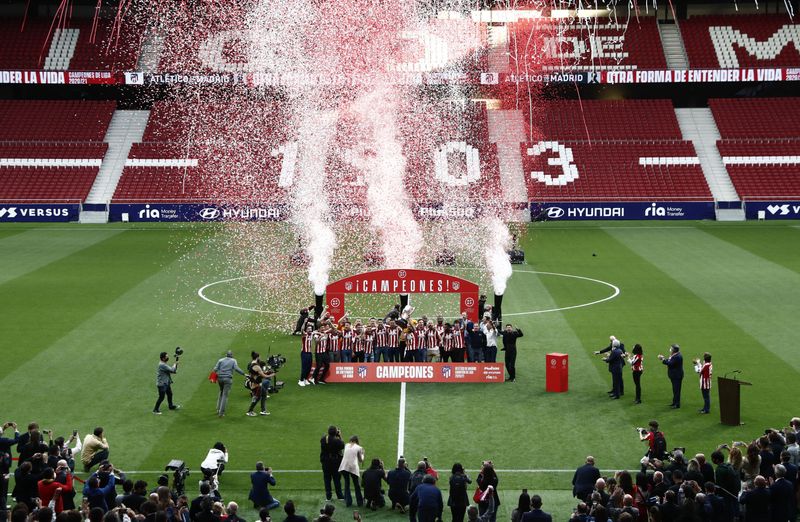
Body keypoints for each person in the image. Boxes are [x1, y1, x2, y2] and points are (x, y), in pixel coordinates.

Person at [213, 351, 246, 417]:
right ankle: (221, 413)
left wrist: (212, 378)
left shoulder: (220, 360)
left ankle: (218, 409)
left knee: (221, 392)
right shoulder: (233, 360)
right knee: (225, 395)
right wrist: (244, 373)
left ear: (226, 355)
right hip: (227, 379)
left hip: (220, 378)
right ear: (232, 355)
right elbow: (236, 369)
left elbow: (215, 369)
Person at [320, 426, 345, 502]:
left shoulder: (324, 439)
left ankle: (328, 497)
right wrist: (339, 436)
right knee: (337, 479)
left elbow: (323, 439)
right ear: (335, 433)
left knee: (327, 479)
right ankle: (339, 495)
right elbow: (342, 445)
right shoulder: (337, 441)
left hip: (325, 462)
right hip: (335, 462)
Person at [338, 435, 364, 507]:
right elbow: (361, 460)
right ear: (356, 441)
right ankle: (360, 502)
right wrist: (363, 454)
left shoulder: (346, 445)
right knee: (356, 485)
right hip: (353, 467)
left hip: (344, 466)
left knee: (347, 483)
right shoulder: (359, 448)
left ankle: (348, 502)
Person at [247, 352, 275, 417]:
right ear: (257, 357)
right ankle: (249, 411)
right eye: (259, 357)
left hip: (255, 384)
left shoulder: (252, 363)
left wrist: (267, 372)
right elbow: (264, 376)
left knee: (264, 394)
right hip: (256, 386)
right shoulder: (257, 366)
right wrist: (271, 374)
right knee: (257, 398)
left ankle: (263, 410)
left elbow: (258, 374)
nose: (260, 358)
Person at [657, 344, 683, 409]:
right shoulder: (675, 355)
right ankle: (674, 402)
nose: (670, 349)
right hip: (675, 375)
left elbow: (670, 363)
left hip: (677, 376)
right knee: (675, 390)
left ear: (674, 350)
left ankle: (677, 404)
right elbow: (670, 361)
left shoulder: (677, 356)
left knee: (676, 390)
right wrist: (664, 359)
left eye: (671, 348)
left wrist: (662, 359)